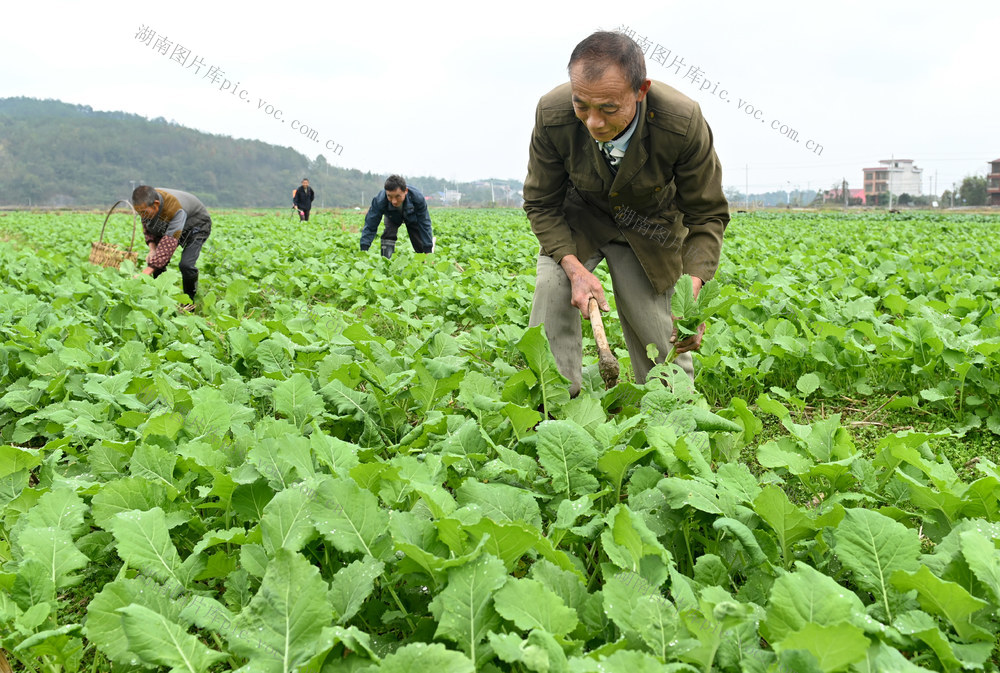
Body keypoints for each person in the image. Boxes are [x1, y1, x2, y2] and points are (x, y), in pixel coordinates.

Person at [523, 31, 729, 397]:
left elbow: (707, 214)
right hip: (580, 222)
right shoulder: (552, 113)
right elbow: (542, 202)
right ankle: (551, 408)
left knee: (663, 339)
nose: (593, 122)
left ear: (641, 90)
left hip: (650, 229)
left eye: (608, 109)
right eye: (581, 105)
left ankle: (670, 414)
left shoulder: (680, 121)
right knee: (552, 288)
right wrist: (572, 267)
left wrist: (692, 293)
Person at [131, 186, 212, 311]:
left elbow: (170, 241)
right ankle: (160, 299)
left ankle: (189, 303)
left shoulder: (175, 208)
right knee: (156, 259)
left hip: (197, 227)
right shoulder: (146, 206)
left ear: (156, 205)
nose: (142, 215)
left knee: (186, 264)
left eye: (143, 212)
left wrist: (146, 272)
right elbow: (148, 227)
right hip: (171, 225)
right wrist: (152, 249)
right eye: (139, 213)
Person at [359, 175, 435, 259]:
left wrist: (428, 250)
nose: (394, 201)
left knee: (418, 239)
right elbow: (370, 224)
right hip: (392, 217)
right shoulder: (380, 200)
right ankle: (386, 261)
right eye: (389, 196)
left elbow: (424, 223)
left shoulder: (417, 198)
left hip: (412, 217)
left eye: (397, 196)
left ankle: (424, 260)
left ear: (405, 191)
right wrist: (364, 250)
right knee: (388, 233)